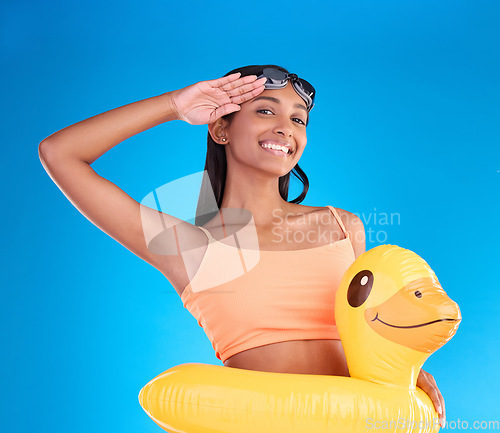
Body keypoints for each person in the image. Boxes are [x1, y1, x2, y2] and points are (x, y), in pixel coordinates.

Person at [38, 64, 446, 426]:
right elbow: (60, 153)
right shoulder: (187, 247)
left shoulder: (342, 226)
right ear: (220, 128)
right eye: (265, 110)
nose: (286, 129)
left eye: (299, 119)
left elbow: (369, 329)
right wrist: (174, 106)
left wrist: (406, 369)